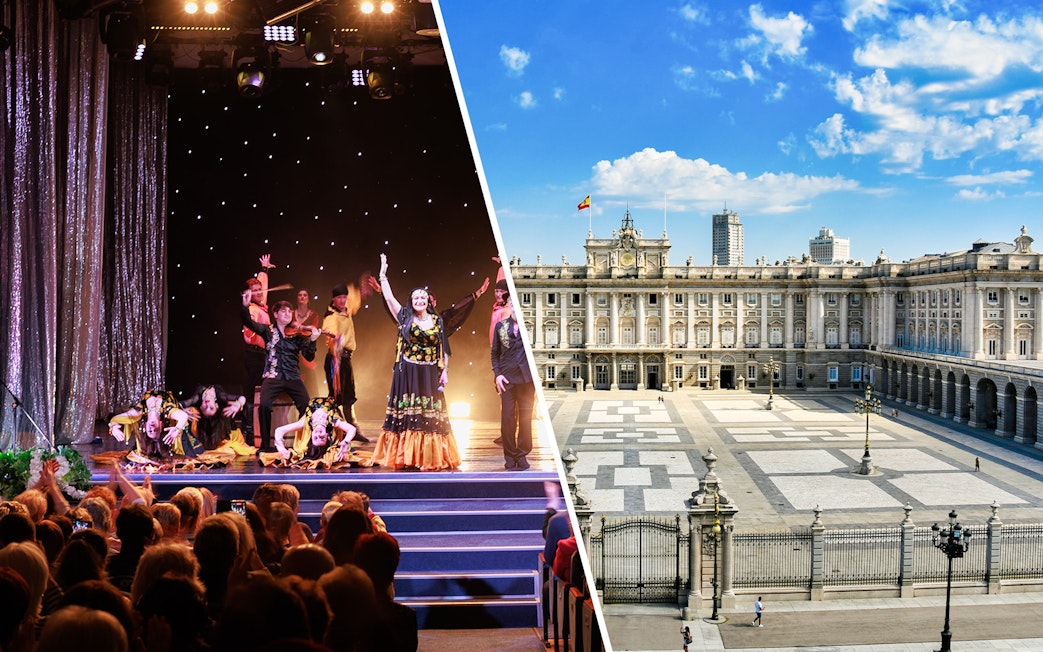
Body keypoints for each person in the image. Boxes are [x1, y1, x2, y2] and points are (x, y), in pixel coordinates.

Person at [369, 253, 460, 470]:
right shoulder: (404, 318)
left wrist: (445, 372)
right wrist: (383, 275)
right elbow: (389, 299)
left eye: (423, 298)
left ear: (428, 301)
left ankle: (429, 457)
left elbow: (443, 348)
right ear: (411, 301)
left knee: (429, 414)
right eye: (416, 298)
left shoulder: (437, 321)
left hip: (430, 373)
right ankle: (407, 456)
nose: (419, 301)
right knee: (409, 414)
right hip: (408, 371)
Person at [240, 291, 322, 453]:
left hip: (293, 377)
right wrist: (244, 305)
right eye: (283, 311)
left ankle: (304, 443)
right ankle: (265, 445)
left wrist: (312, 341)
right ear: (275, 314)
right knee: (264, 406)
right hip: (273, 376)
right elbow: (247, 322)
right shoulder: (267, 331)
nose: (287, 313)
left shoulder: (298, 334)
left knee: (306, 406)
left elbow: (309, 356)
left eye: (289, 311)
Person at [491, 294, 535, 470]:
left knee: (526, 419)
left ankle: (522, 454)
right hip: (507, 379)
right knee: (508, 419)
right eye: (512, 304)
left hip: (527, 380)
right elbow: (495, 353)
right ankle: (509, 455)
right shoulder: (501, 327)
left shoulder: (530, 326)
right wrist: (497, 374)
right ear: (508, 306)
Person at [322, 282, 370, 442]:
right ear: (333, 299)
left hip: (346, 359)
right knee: (336, 396)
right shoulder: (331, 316)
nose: (343, 301)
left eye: (344, 297)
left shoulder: (346, 310)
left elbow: (355, 299)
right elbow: (331, 336)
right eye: (339, 298)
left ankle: (353, 430)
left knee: (349, 395)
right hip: (335, 359)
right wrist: (336, 339)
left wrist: (362, 292)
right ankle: (338, 430)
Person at [266, 396, 359, 468]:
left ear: (311, 435)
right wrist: (345, 441)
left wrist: (279, 445)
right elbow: (352, 429)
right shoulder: (332, 422)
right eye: (322, 437)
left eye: (316, 437)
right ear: (327, 436)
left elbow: (279, 430)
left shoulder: (306, 423)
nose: (318, 434)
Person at [242, 254, 276, 445]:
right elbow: (249, 333)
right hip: (254, 356)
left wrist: (264, 269)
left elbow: (261, 283)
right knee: (252, 394)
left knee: (262, 392)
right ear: (249, 295)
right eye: (255, 291)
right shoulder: (253, 310)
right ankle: (248, 434)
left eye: (260, 290)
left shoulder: (261, 303)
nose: (260, 292)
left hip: (263, 356)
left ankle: (260, 431)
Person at [108, 389, 199, 459]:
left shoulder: (139, 412)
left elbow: (115, 418)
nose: (152, 428)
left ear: (145, 425)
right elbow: (183, 416)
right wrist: (177, 429)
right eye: (156, 430)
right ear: (161, 424)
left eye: (150, 431)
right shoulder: (167, 410)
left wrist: (114, 426)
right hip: (178, 405)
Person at [179, 383, 255, 454]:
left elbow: (176, 404)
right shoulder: (220, 396)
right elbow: (242, 398)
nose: (207, 405)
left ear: (201, 407)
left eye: (205, 408)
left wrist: (182, 411)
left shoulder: (197, 398)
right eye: (211, 408)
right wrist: (239, 404)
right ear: (216, 405)